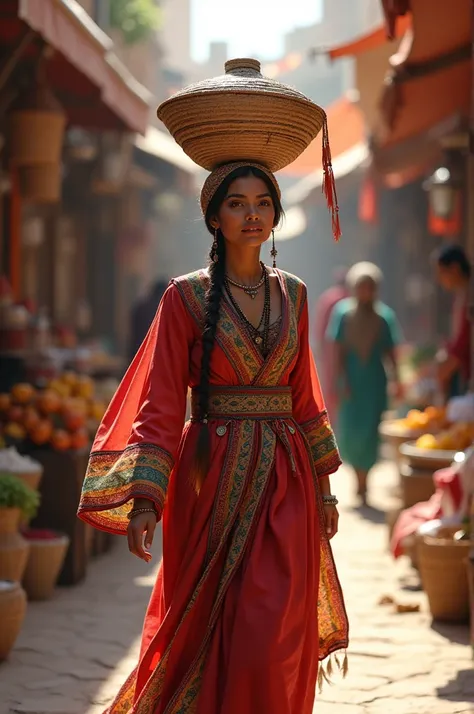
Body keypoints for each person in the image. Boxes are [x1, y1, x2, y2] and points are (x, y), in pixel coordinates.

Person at [78, 58, 348, 714]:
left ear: (275, 217)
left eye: (263, 204)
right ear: (215, 217)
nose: (252, 216)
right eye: (237, 203)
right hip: (208, 481)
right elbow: (162, 405)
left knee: (270, 632)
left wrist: (325, 486)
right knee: (207, 626)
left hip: (285, 486)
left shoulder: (298, 296)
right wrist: (146, 498)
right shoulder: (185, 299)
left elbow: (306, 396)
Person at [327, 262, 402, 503]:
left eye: (370, 287)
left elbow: (391, 352)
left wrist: (397, 380)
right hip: (351, 383)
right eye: (361, 287)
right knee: (350, 433)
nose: (365, 292)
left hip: (374, 384)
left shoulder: (384, 317)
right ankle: (356, 479)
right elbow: (337, 350)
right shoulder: (343, 314)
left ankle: (365, 481)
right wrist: (339, 380)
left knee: (370, 433)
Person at [434, 245, 471, 398]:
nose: (439, 279)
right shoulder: (461, 295)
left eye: (442, 273)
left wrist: (446, 367)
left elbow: (465, 338)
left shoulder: (470, 296)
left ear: (455, 268)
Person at [313, 267, 348, 422]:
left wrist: (319, 350)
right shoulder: (345, 299)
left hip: (328, 353)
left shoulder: (327, 298)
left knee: (330, 390)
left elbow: (319, 328)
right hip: (343, 352)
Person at [128, 279, 168, 361]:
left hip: (138, 349)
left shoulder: (140, 306)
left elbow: (133, 331)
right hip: (155, 352)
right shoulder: (164, 308)